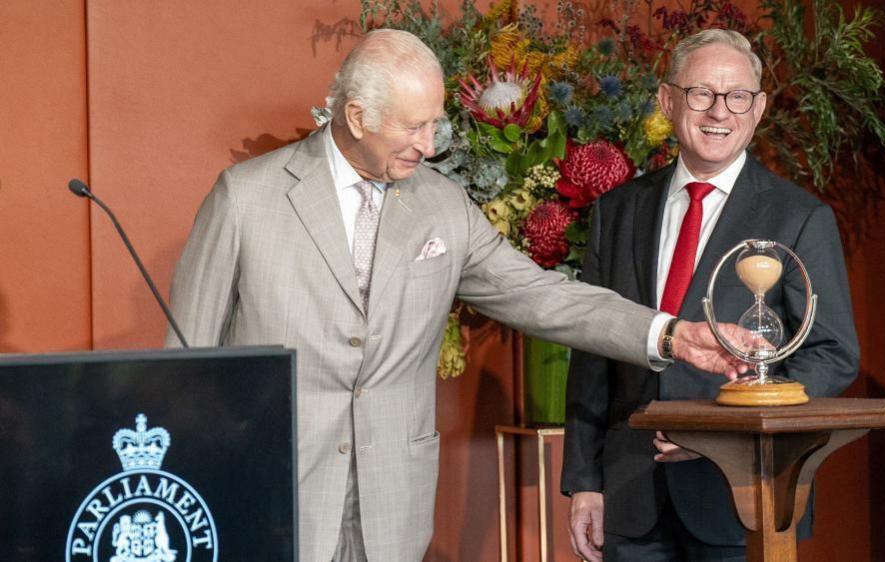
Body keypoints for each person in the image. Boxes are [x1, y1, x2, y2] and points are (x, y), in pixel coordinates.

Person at [165, 29, 749, 562]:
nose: (429, 145)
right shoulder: (246, 199)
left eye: (434, 125)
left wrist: (670, 334)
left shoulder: (442, 205)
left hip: (392, 508)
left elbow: (544, 296)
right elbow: (185, 368)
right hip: (270, 499)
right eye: (413, 127)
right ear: (356, 116)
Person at [561, 29, 860, 562]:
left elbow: (833, 354)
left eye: (737, 96)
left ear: (759, 108)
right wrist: (584, 481)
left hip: (741, 499)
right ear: (668, 100)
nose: (719, 111)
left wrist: (724, 432)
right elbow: (591, 350)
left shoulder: (799, 217)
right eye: (701, 93)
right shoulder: (618, 210)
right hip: (631, 498)